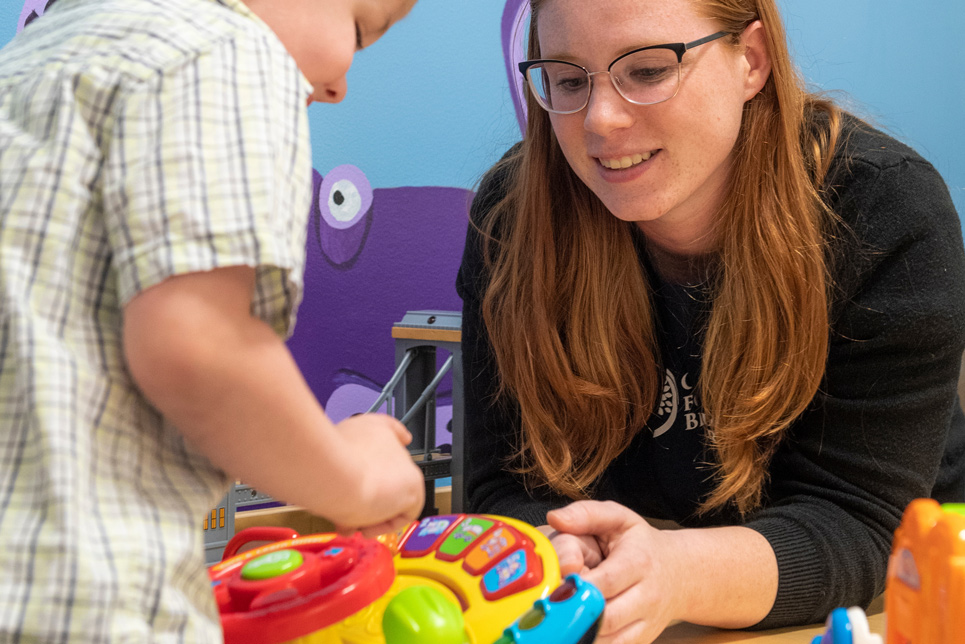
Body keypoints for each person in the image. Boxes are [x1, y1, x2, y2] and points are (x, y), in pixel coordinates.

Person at [456, 0, 965, 641]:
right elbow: (503, 490)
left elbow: (858, 526)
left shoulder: (884, 211)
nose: (601, 120)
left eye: (646, 71)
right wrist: (557, 554)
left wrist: (676, 571)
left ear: (750, 61)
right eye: (568, 79)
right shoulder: (513, 217)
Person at [0, 0, 424, 640]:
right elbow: (198, 345)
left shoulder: (34, 57)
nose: (339, 87)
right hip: (85, 599)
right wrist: (353, 478)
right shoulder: (225, 51)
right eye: (360, 31)